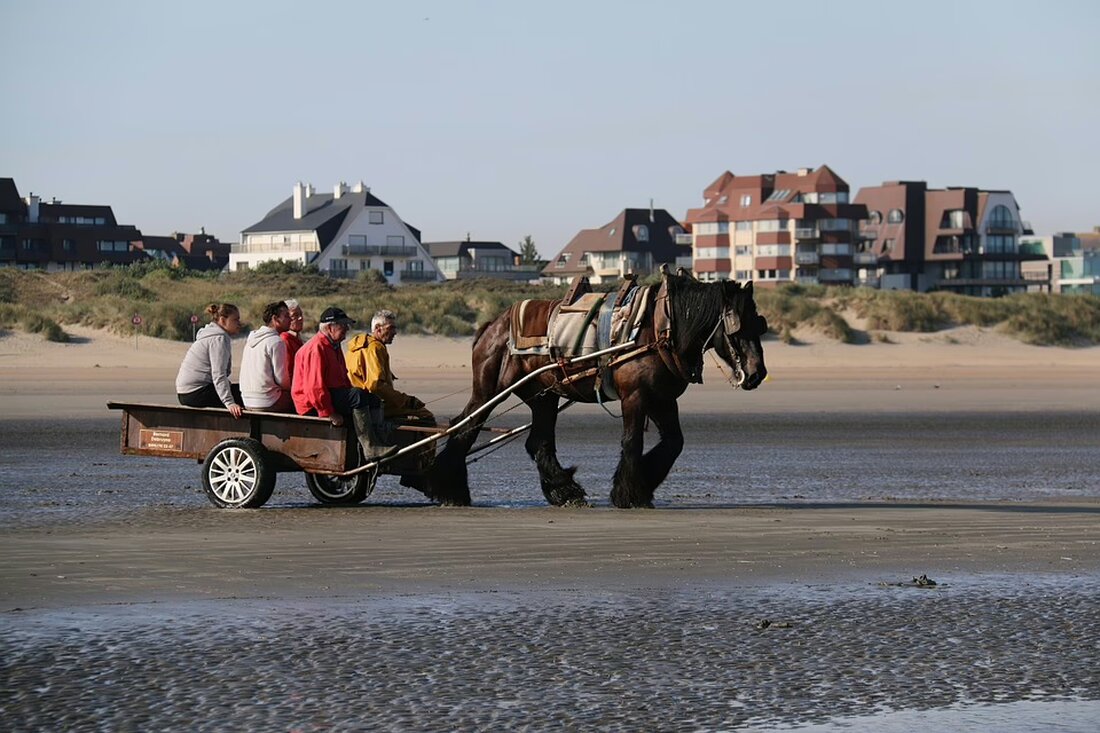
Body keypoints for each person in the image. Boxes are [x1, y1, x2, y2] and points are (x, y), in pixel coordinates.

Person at [291, 307, 396, 460]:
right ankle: (369, 448)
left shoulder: (334, 345)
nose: (347, 328)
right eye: (343, 325)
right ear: (329, 327)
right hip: (311, 403)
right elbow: (314, 388)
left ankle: (377, 442)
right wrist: (328, 413)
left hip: (329, 394)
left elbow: (343, 379)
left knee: (371, 397)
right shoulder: (316, 348)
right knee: (357, 396)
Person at [347, 309, 435, 425]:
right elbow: (375, 386)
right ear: (378, 328)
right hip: (373, 404)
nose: (395, 332)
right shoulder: (375, 348)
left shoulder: (360, 345)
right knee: (424, 414)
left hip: (363, 401)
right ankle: (418, 443)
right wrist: (405, 401)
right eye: (391, 328)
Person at [175, 303, 244, 418]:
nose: (239, 323)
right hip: (195, 393)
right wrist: (229, 403)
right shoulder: (218, 338)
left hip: (186, 392)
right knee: (245, 394)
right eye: (235, 320)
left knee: (239, 390)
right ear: (222, 320)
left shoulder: (212, 335)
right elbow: (218, 374)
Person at [240, 301, 293, 412]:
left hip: (246, 400)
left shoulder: (250, 340)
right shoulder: (276, 342)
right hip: (268, 400)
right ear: (275, 319)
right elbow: (282, 380)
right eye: (286, 316)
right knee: (301, 399)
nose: (290, 319)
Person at [282, 299, 304, 382]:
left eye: (301, 314)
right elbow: (288, 372)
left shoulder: (297, 338)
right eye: (295, 315)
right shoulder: (285, 340)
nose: (300, 318)